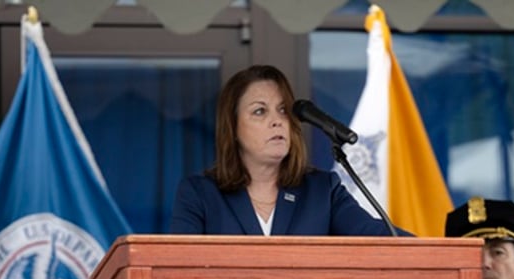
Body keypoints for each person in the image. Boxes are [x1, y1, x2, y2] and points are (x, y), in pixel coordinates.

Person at [169, 64, 406, 237]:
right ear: (232, 128)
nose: (277, 121)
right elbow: (176, 271)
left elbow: (378, 237)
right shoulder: (199, 194)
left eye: (283, 110)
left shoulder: (323, 191)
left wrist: (440, 251)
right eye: (260, 111)